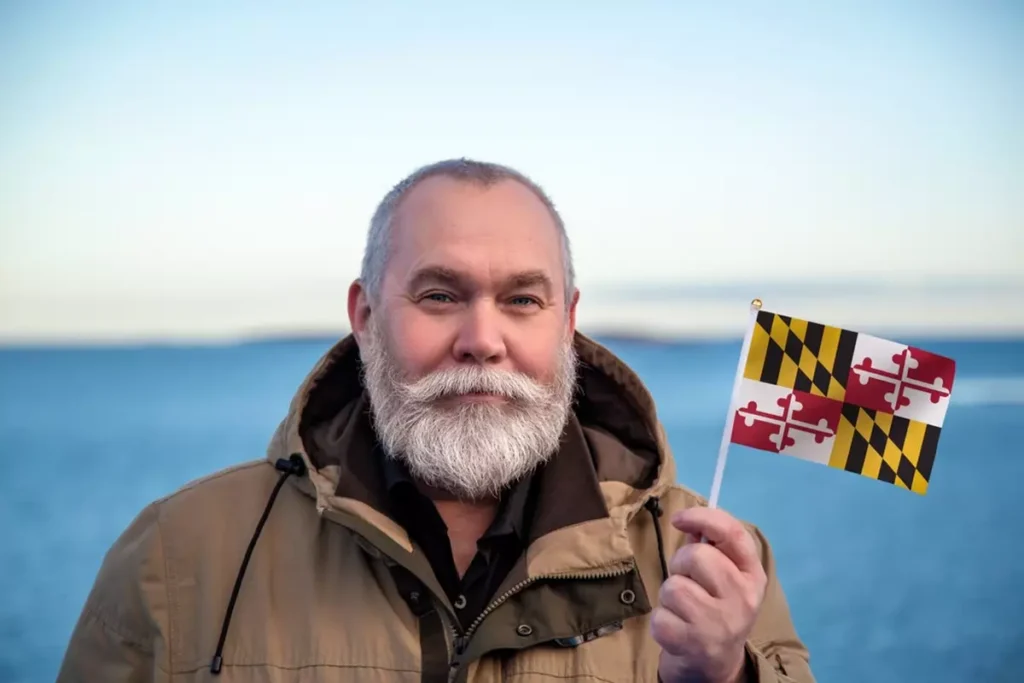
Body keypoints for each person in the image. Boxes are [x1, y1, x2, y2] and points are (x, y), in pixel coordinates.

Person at [57, 158, 815, 682]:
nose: (483, 338)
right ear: (365, 315)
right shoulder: (181, 554)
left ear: (567, 321)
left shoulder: (711, 567)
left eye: (523, 299)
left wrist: (725, 675)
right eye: (440, 295)